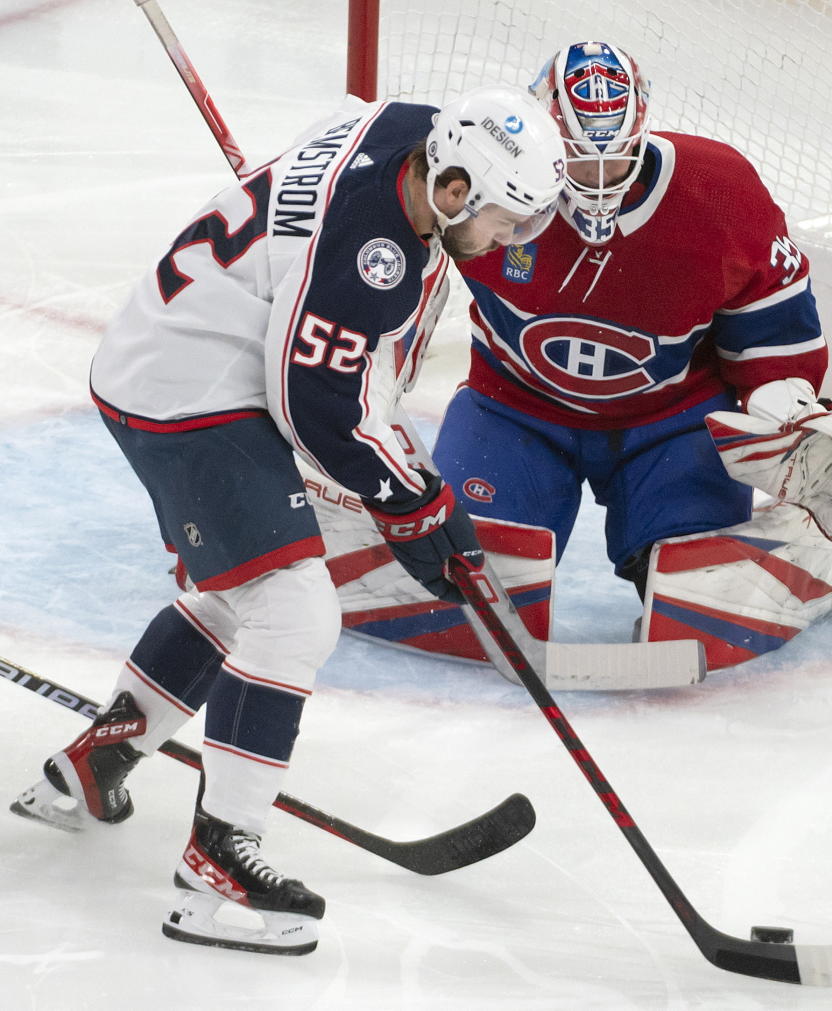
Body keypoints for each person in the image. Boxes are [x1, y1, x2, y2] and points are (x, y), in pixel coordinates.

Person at [11, 85, 565, 955]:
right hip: (189, 394)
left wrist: (414, 492)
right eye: (507, 221)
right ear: (453, 187)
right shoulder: (372, 252)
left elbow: (340, 127)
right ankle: (218, 857)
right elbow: (316, 405)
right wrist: (418, 512)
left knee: (245, 590)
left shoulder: (412, 131)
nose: (511, 243)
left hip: (185, 349)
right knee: (296, 609)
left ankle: (97, 762)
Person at [432, 41, 832, 669]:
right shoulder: (483, 173)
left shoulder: (718, 191)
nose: (593, 185)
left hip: (670, 423)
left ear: (642, 133)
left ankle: (797, 549)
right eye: (574, 164)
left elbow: (773, 333)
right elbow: (399, 281)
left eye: (612, 164)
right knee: (469, 576)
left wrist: (791, 412)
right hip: (514, 408)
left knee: (695, 592)